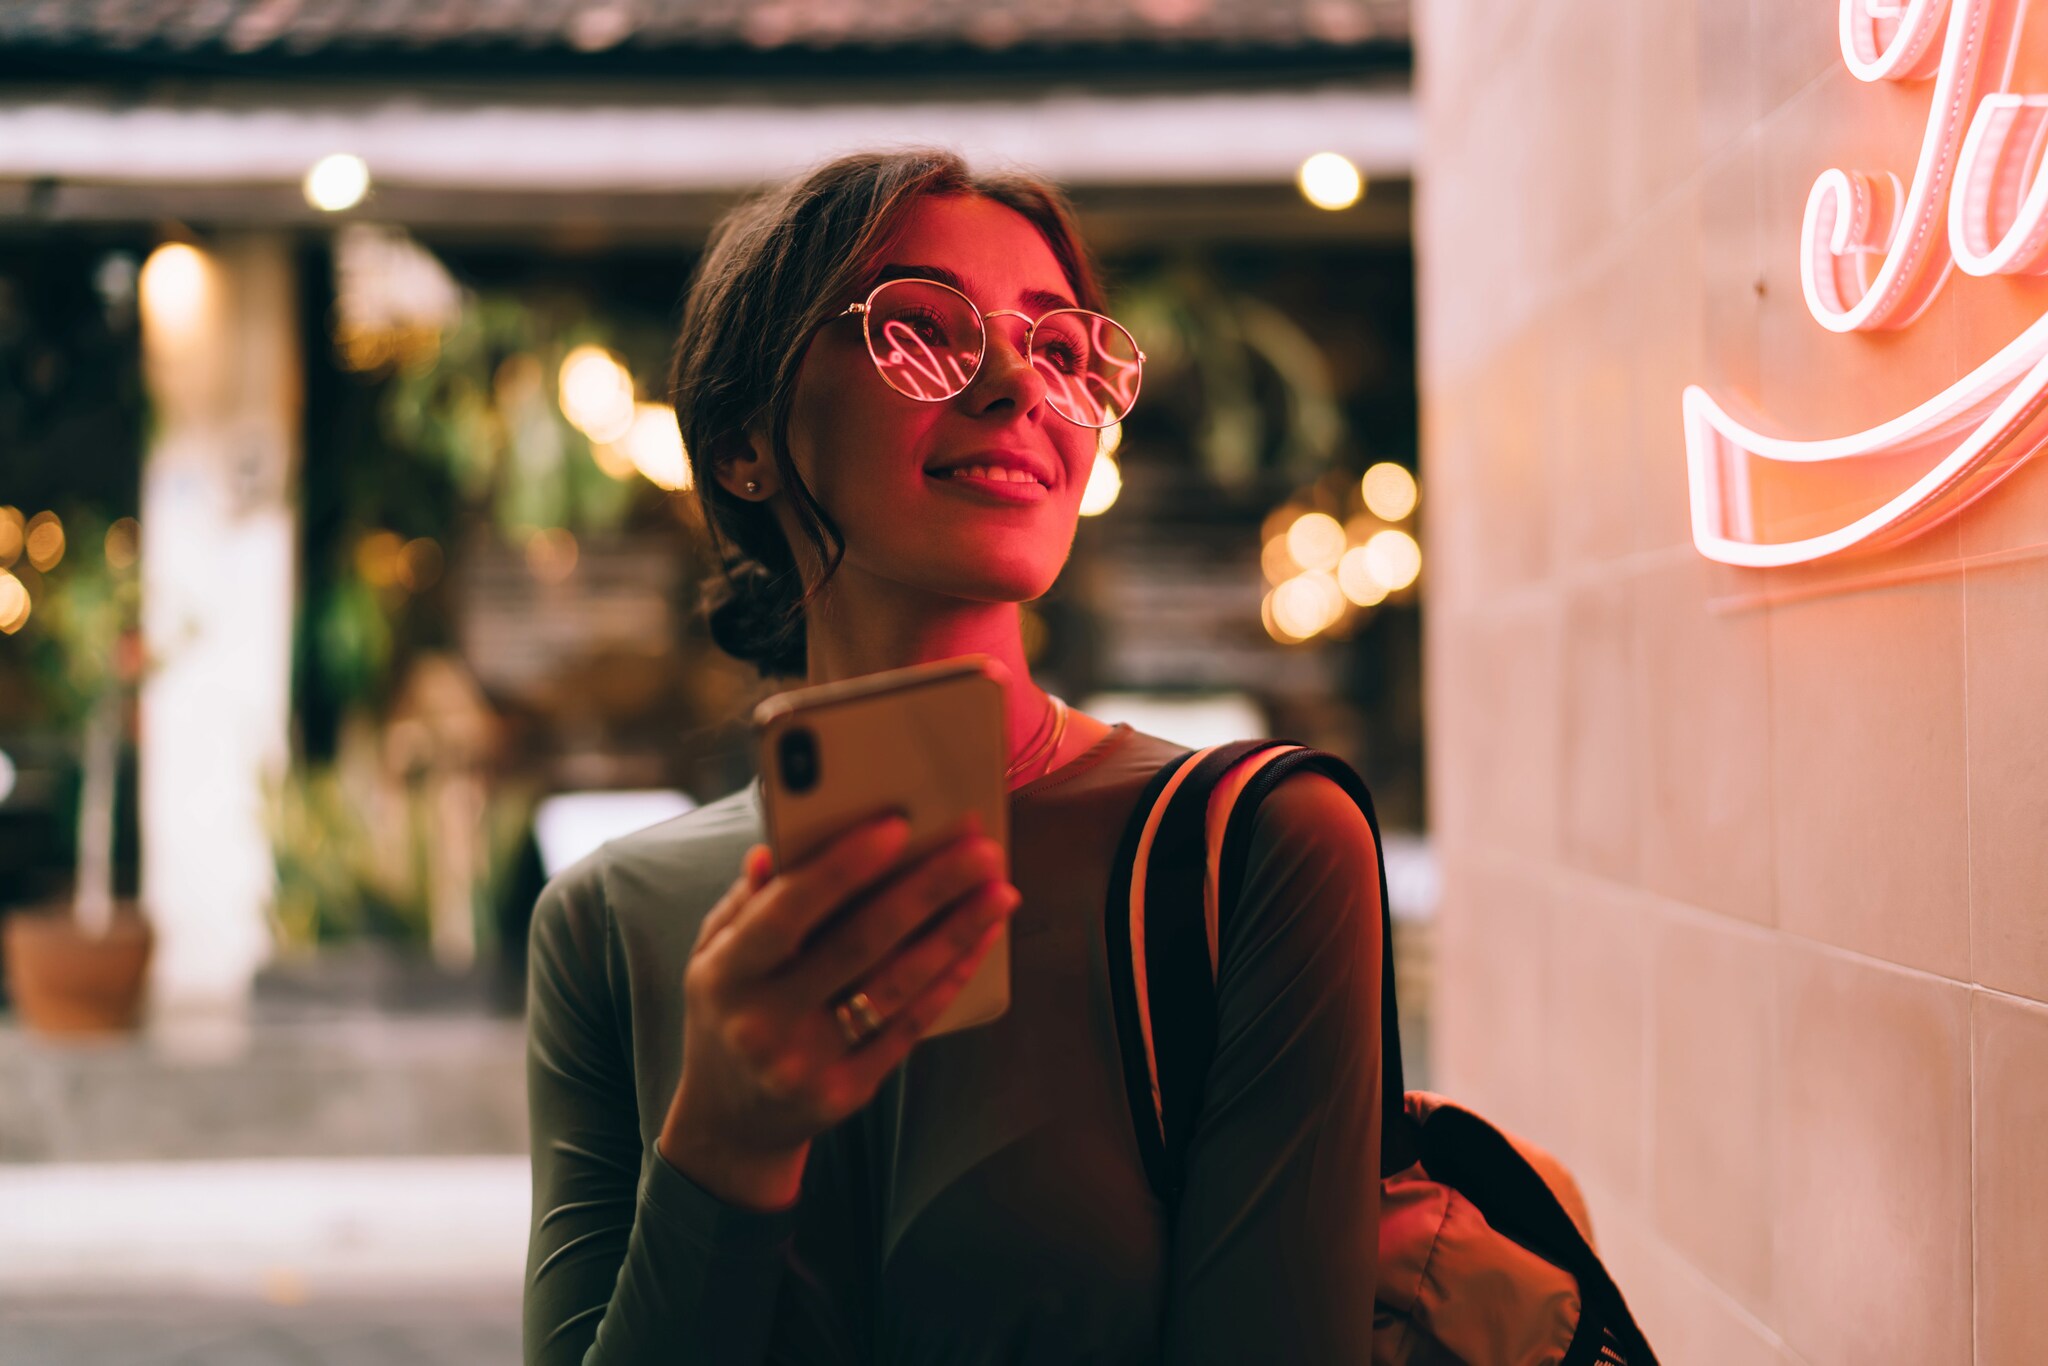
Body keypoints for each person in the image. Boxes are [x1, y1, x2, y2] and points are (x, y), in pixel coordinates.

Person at [521, 148, 1383, 1365]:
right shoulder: (605, 921)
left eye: (1062, 349)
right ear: (740, 443)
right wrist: (724, 1139)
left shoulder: (1248, 850)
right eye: (919, 331)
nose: (1015, 386)